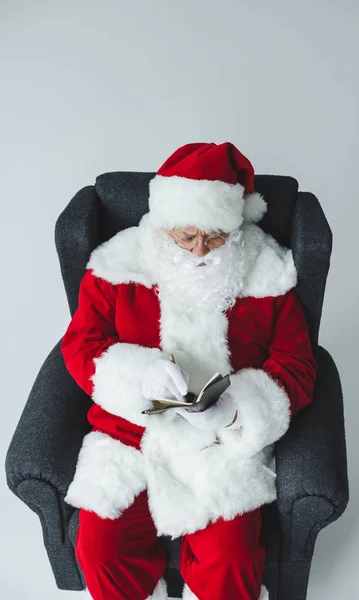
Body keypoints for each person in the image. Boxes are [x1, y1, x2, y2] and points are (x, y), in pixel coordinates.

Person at [61, 141, 317, 600]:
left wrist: (237, 414)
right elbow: (82, 343)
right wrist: (140, 375)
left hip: (222, 446)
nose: (201, 249)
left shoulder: (269, 271)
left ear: (235, 227)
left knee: (232, 561)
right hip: (130, 436)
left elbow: (296, 363)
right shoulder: (117, 265)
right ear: (164, 227)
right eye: (186, 236)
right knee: (101, 550)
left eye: (216, 236)